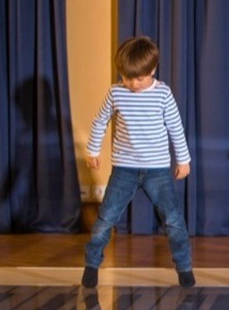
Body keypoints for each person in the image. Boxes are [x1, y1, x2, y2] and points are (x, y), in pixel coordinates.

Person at [81, 36, 195, 288]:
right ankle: (91, 264)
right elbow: (100, 122)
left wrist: (183, 160)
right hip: (124, 169)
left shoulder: (163, 94)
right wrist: (93, 150)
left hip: (157, 170)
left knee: (173, 219)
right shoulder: (116, 92)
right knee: (106, 218)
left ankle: (184, 267)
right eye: (126, 77)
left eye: (139, 79)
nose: (132, 84)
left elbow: (176, 128)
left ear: (152, 70)